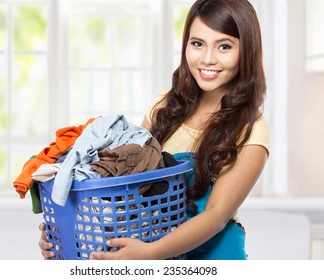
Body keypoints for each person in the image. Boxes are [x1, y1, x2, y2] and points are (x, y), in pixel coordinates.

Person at [39, 0, 269, 260]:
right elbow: (127, 188)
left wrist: (151, 252)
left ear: (246, 51)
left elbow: (216, 215)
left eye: (224, 46)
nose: (207, 58)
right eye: (197, 44)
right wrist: (67, 236)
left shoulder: (250, 130)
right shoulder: (165, 107)